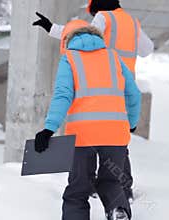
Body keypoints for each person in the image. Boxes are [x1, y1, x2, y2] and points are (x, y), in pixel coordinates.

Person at [33, 0, 154, 201]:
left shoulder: (103, 17)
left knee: (92, 136)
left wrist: (52, 28)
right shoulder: (133, 22)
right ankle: (123, 189)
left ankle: (87, 186)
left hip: (101, 82)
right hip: (123, 87)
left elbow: (85, 35)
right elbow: (146, 49)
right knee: (116, 141)